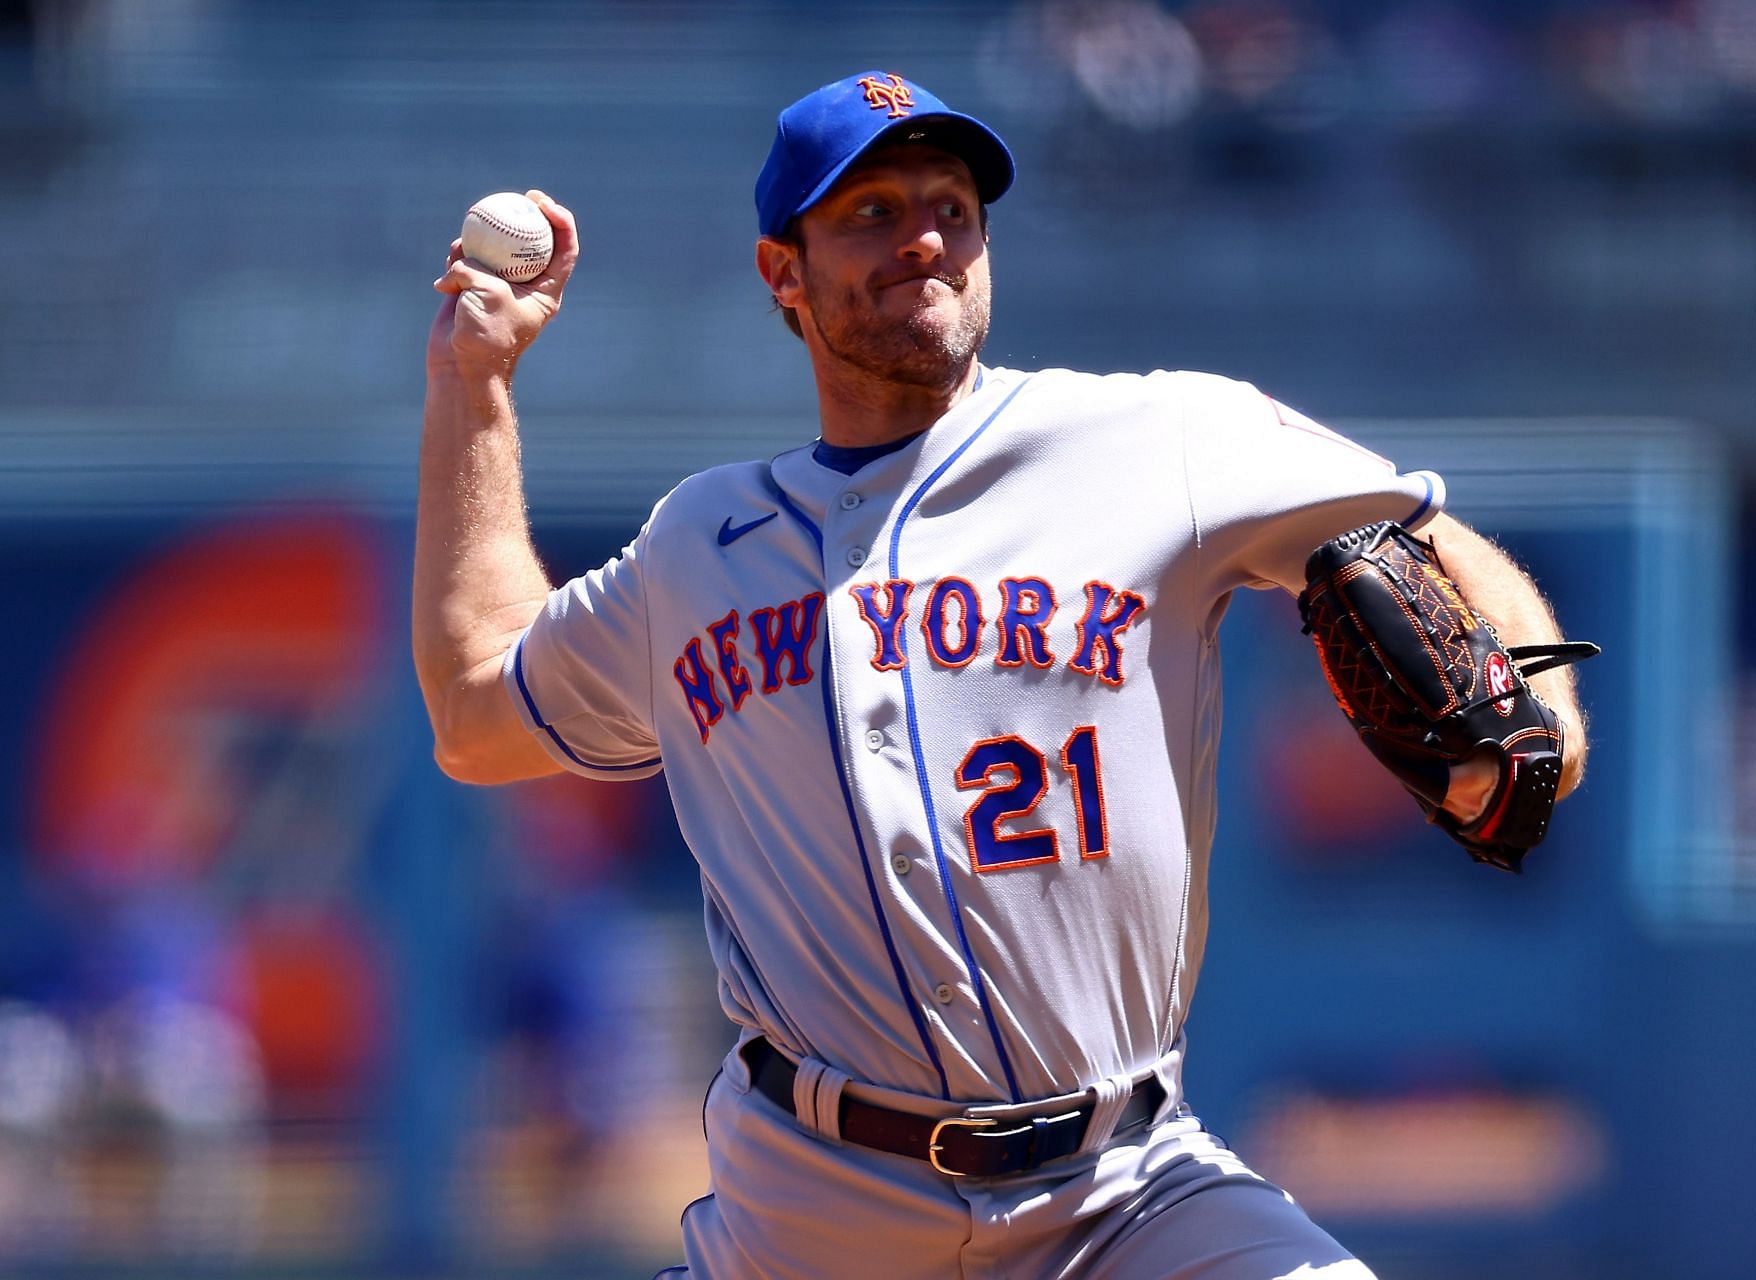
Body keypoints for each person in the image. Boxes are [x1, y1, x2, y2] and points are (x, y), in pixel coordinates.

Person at [415, 70, 1587, 1280]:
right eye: (869, 211)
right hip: (814, 1210)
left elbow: (1426, 535)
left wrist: (1540, 730)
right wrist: (476, 386)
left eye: (953, 207)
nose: (924, 235)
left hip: (1126, 1188)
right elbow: (475, 710)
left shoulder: (1158, 439)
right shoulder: (695, 546)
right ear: (784, 274)